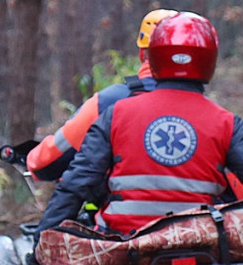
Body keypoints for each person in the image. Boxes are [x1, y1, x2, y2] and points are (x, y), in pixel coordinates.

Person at [36, 11, 243, 238]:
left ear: (151, 56)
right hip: (202, 247)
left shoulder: (115, 114)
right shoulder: (225, 122)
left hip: (123, 250)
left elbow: (75, 185)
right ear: (209, 60)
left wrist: (42, 245)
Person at [26, 9, 178, 181]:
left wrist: (32, 159)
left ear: (142, 53)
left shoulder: (108, 102)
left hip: (119, 207)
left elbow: (50, 161)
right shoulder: (211, 114)